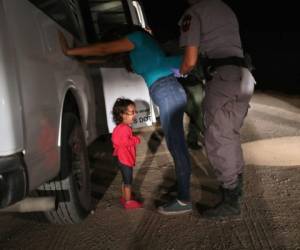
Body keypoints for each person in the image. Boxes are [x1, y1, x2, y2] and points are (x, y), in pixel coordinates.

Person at [59, 25, 193, 215]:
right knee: (176, 144)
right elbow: (103, 55)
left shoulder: (137, 37)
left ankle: (184, 198)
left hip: (167, 90)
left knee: (176, 145)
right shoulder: (136, 50)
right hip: (165, 91)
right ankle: (183, 190)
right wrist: (77, 57)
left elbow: (104, 49)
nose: (115, 44)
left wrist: (69, 50)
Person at [178, 0, 255, 218]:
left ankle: (230, 198)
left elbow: (190, 60)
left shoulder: (193, 12)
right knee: (230, 135)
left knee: (217, 138)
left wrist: (181, 72)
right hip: (244, 75)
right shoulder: (224, 7)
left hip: (223, 76)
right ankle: (235, 188)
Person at [111, 98, 142, 209]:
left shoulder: (119, 127)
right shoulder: (125, 128)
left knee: (124, 179)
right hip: (125, 159)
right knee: (128, 181)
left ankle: (125, 197)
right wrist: (135, 139)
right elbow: (123, 142)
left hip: (120, 158)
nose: (134, 114)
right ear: (122, 114)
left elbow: (115, 140)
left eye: (135, 111)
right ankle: (128, 201)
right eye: (132, 112)